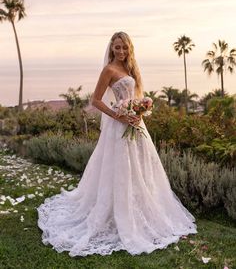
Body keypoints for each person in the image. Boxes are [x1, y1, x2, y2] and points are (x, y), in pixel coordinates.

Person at [37, 32, 197, 257]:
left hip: (136, 123)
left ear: (129, 48)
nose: (121, 52)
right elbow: (96, 100)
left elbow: (134, 95)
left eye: (124, 48)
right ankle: (117, 212)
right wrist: (118, 115)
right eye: (117, 48)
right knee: (119, 168)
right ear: (112, 49)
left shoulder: (131, 69)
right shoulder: (109, 70)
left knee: (140, 167)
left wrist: (141, 108)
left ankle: (140, 208)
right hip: (119, 124)